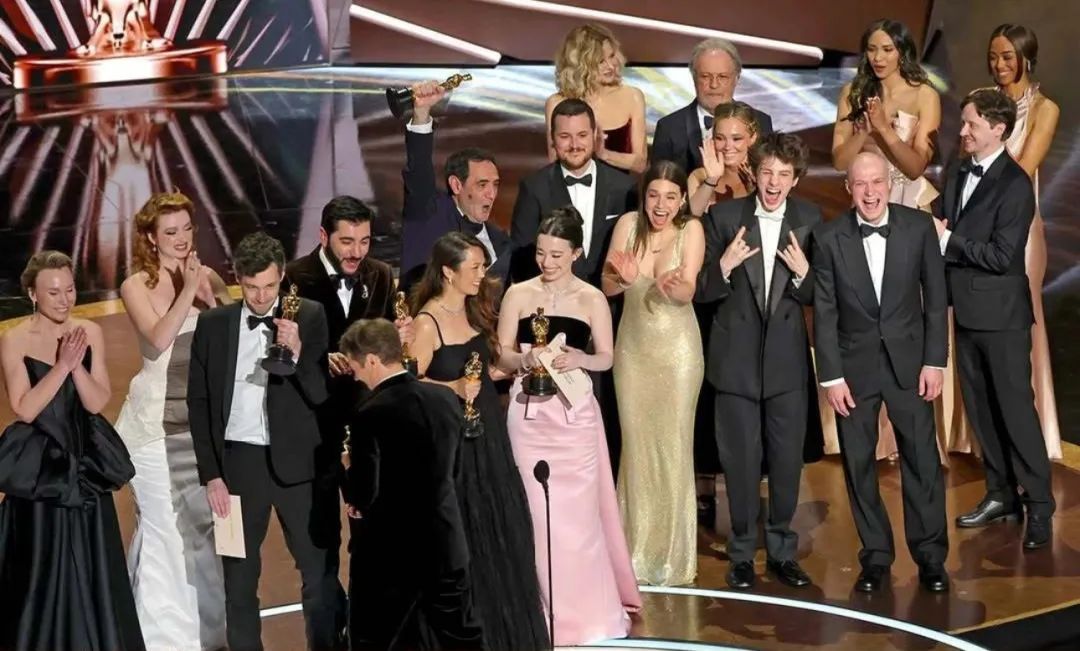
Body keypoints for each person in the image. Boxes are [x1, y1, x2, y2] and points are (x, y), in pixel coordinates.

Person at [187, 232, 340, 651]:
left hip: (300, 470)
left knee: (318, 574)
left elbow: (321, 395)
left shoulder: (309, 315)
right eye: (252, 287)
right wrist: (212, 475)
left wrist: (298, 351)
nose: (261, 297)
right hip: (237, 469)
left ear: (282, 276)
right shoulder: (213, 325)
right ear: (237, 279)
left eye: (270, 286)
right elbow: (199, 403)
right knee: (238, 581)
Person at [496, 208, 641, 645]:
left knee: (578, 520)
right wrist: (523, 358)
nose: (547, 262)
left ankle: (586, 615)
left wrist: (580, 358)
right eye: (541, 253)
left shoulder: (592, 298)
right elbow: (501, 352)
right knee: (535, 516)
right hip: (529, 416)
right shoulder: (518, 294)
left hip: (574, 417)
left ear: (576, 253)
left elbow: (607, 357)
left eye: (557, 255)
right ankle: (539, 613)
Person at [814, 152, 949, 593]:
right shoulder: (829, 237)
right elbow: (826, 312)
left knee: (922, 461)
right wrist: (832, 377)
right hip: (853, 372)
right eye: (860, 184)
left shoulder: (918, 227)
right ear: (848, 188)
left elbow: (936, 299)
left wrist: (934, 361)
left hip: (911, 365)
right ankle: (875, 556)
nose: (870, 193)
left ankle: (931, 558)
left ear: (889, 183)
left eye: (876, 182)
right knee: (858, 464)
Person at [408, 232, 550, 650]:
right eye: (474, 267)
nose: (481, 274)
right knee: (468, 540)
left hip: (489, 436)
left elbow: (492, 360)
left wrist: (524, 359)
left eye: (483, 265)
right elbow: (409, 384)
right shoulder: (426, 323)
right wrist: (452, 387)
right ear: (448, 272)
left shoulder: (476, 307)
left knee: (502, 533)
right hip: (455, 448)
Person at [0, 251, 144, 651]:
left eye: (69, 290)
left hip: (84, 464)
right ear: (33, 294)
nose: (64, 300)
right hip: (42, 472)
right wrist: (62, 366)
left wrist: (77, 365)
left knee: (92, 561)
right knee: (42, 566)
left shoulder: (89, 331)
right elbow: (25, 407)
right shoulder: (14, 340)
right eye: (53, 292)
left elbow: (96, 402)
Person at [695, 133, 820, 590]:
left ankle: (783, 551)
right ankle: (743, 552)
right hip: (735, 363)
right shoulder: (725, 217)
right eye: (767, 172)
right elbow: (701, 290)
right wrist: (723, 267)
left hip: (786, 365)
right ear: (754, 172)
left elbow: (823, 293)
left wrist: (806, 277)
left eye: (784, 175)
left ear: (795, 179)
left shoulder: (810, 219)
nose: (773, 182)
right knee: (741, 462)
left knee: (786, 462)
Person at [933, 89, 1054, 550]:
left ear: (998, 129)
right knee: (982, 412)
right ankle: (1001, 494)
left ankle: (1039, 505)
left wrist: (949, 242)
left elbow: (1003, 256)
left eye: (972, 124)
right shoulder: (958, 170)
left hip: (1001, 318)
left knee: (1016, 413)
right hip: (965, 311)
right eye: (964, 122)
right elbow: (941, 221)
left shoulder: (1015, 185)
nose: (963, 131)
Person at [830, 18, 952, 460]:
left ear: (902, 51)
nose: (878, 58)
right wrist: (864, 128)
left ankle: (914, 419)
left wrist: (883, 128)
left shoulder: (924, 96)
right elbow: (840, 159)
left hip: (910, 207)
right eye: (872, 49)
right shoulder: (853, 94)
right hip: (867, 204)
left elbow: (917, 166)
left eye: (887, 49)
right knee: (866, 309)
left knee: (909, 314)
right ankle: (875, 435)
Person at [116, 192, 231, 651]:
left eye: (186, 228)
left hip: (201, 427)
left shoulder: (210, 277)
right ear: (150, 237)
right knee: (165, 529)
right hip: (152, 432)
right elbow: (159, 339)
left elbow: (232, 338)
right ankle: (162, 640)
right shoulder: (135, 285)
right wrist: (188, 291)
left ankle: (210, 633)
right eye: (170, 232)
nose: (181, 239)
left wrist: (211, 296)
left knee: (206, 529)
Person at [282, 194, 400, 640]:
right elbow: (280, 355)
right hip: (313, 434)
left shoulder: (380, 275)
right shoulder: (295, 278)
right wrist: (318, 359)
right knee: (319, 555)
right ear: (323, 236)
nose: (356, 252)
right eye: (347, 241)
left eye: (364, 241)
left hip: (367, 433)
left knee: (373, 544)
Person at [339, 319, 483, 651]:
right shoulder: (445, 398)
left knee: (374, 640)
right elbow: (455, 470)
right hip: (446, 544)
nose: (356, 376)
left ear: (371, 360)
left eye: (355, 367)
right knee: (463, 640)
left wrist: (347, 466)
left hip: (391, 556)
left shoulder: (369, 413)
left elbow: (364, 493)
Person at [603, 161, 705, 586]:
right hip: (633, 353)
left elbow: (689, 288)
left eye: (670, 197)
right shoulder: (628, 226)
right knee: (636, 447)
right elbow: (608, 286)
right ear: (643, 197)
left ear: (681, 200)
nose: (660, 206)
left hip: (678, 355)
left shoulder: (691, 230)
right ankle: (633, 553)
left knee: (674, 446)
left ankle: (672, 559)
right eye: (653, 196)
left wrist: (672, 286)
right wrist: (625, 279)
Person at [988, 23, 1062, 460]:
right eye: (993, 57)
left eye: (1007, 57)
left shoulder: (1044, 109)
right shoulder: (982, 99)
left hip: (1019, 229)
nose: (999, 65)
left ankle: (1030, 430)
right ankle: (981, 433)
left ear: (1025, 58)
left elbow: (1022, 169)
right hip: (977, 225)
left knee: (1021, 323)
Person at [511, 98, 637, 287]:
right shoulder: (533, 187)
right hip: (553, 299)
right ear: (552, 138)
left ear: (594, 134)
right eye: (565, 136)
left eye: (582, 135)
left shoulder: (625, 187)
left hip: (610, 300)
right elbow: (522, 259)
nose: (574, 145)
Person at [401, 81, 512, 292]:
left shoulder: (503, 242)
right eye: (482, 185)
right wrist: (421, 113)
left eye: (495, 185)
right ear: (456, 185)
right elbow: (419, 171)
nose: (491, 194)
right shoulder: (429, 214)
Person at [652, 38, 773, 176]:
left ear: (736, 78)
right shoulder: (668, 128)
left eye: (722, 77)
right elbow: (658, 182)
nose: (714, 85)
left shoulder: (761, 122)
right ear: (694, 78)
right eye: (705, 76)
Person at [545, 23, 647, 174]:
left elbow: (640, 164)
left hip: (618, 187)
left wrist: (603, 154)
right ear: (580, 65)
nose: (610, 66)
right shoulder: (557, 103)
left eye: (611, 56)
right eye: (600, 61)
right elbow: (554, 161)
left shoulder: (632, 97)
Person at [687, 101, 760, 216]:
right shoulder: (699, 176)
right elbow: (693, 216)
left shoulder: (765, 175)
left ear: (752, 138)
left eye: (736, 139)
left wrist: (756, 191)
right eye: (720, 138)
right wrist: (711, 180)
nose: (727, 147)